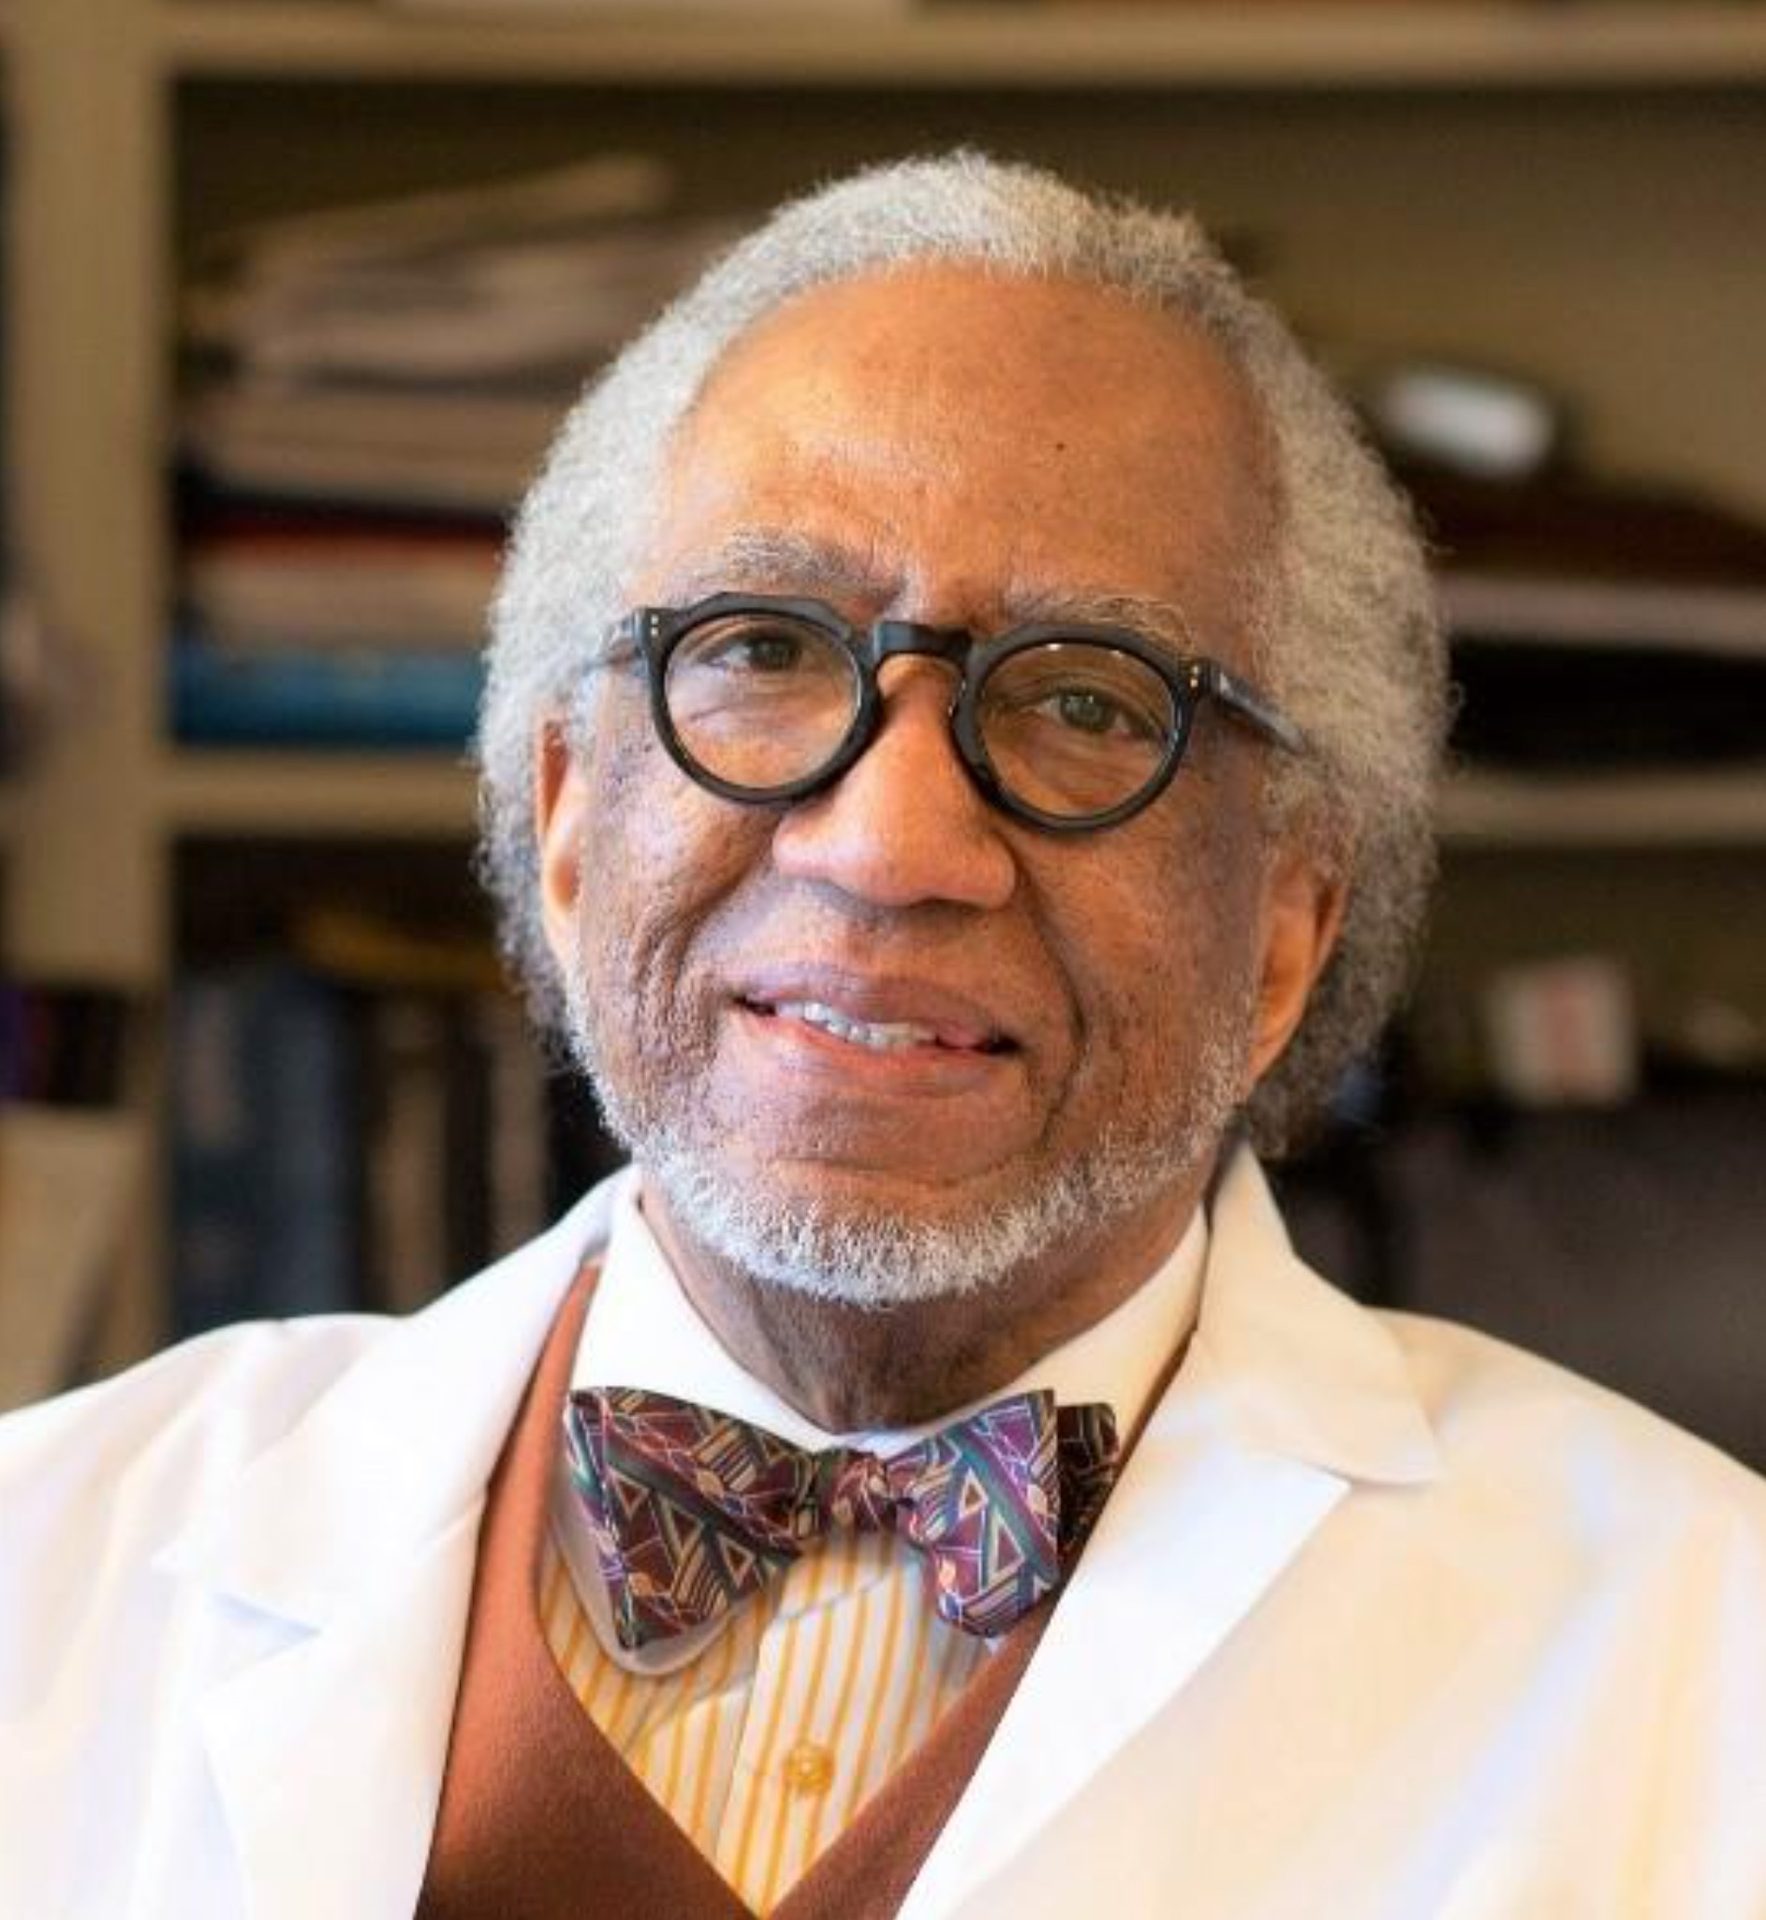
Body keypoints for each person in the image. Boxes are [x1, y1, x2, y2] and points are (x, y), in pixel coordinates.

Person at [3, 153, 1763, 1920]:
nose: (890, 846)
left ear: (1287, 932)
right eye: (761, 646)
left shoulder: (1706, 1661)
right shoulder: (45, 1569)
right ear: (561, 821)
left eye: (1087, 700)